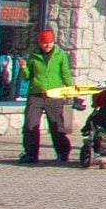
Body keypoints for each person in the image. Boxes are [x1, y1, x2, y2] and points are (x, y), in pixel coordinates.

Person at [19, 28, 76, 166]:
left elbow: (66, 75)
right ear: (39, 42)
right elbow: (27, 77)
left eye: (50, 42)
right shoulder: (33, 56)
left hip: (54, 95)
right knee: (30, 125)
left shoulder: (60, 55)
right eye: (45, 42)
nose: (47, 45)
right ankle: (31, 154)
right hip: (36, 94)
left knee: (56, 126)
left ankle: (63, 152)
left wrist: (72, 92)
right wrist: (23, 68)